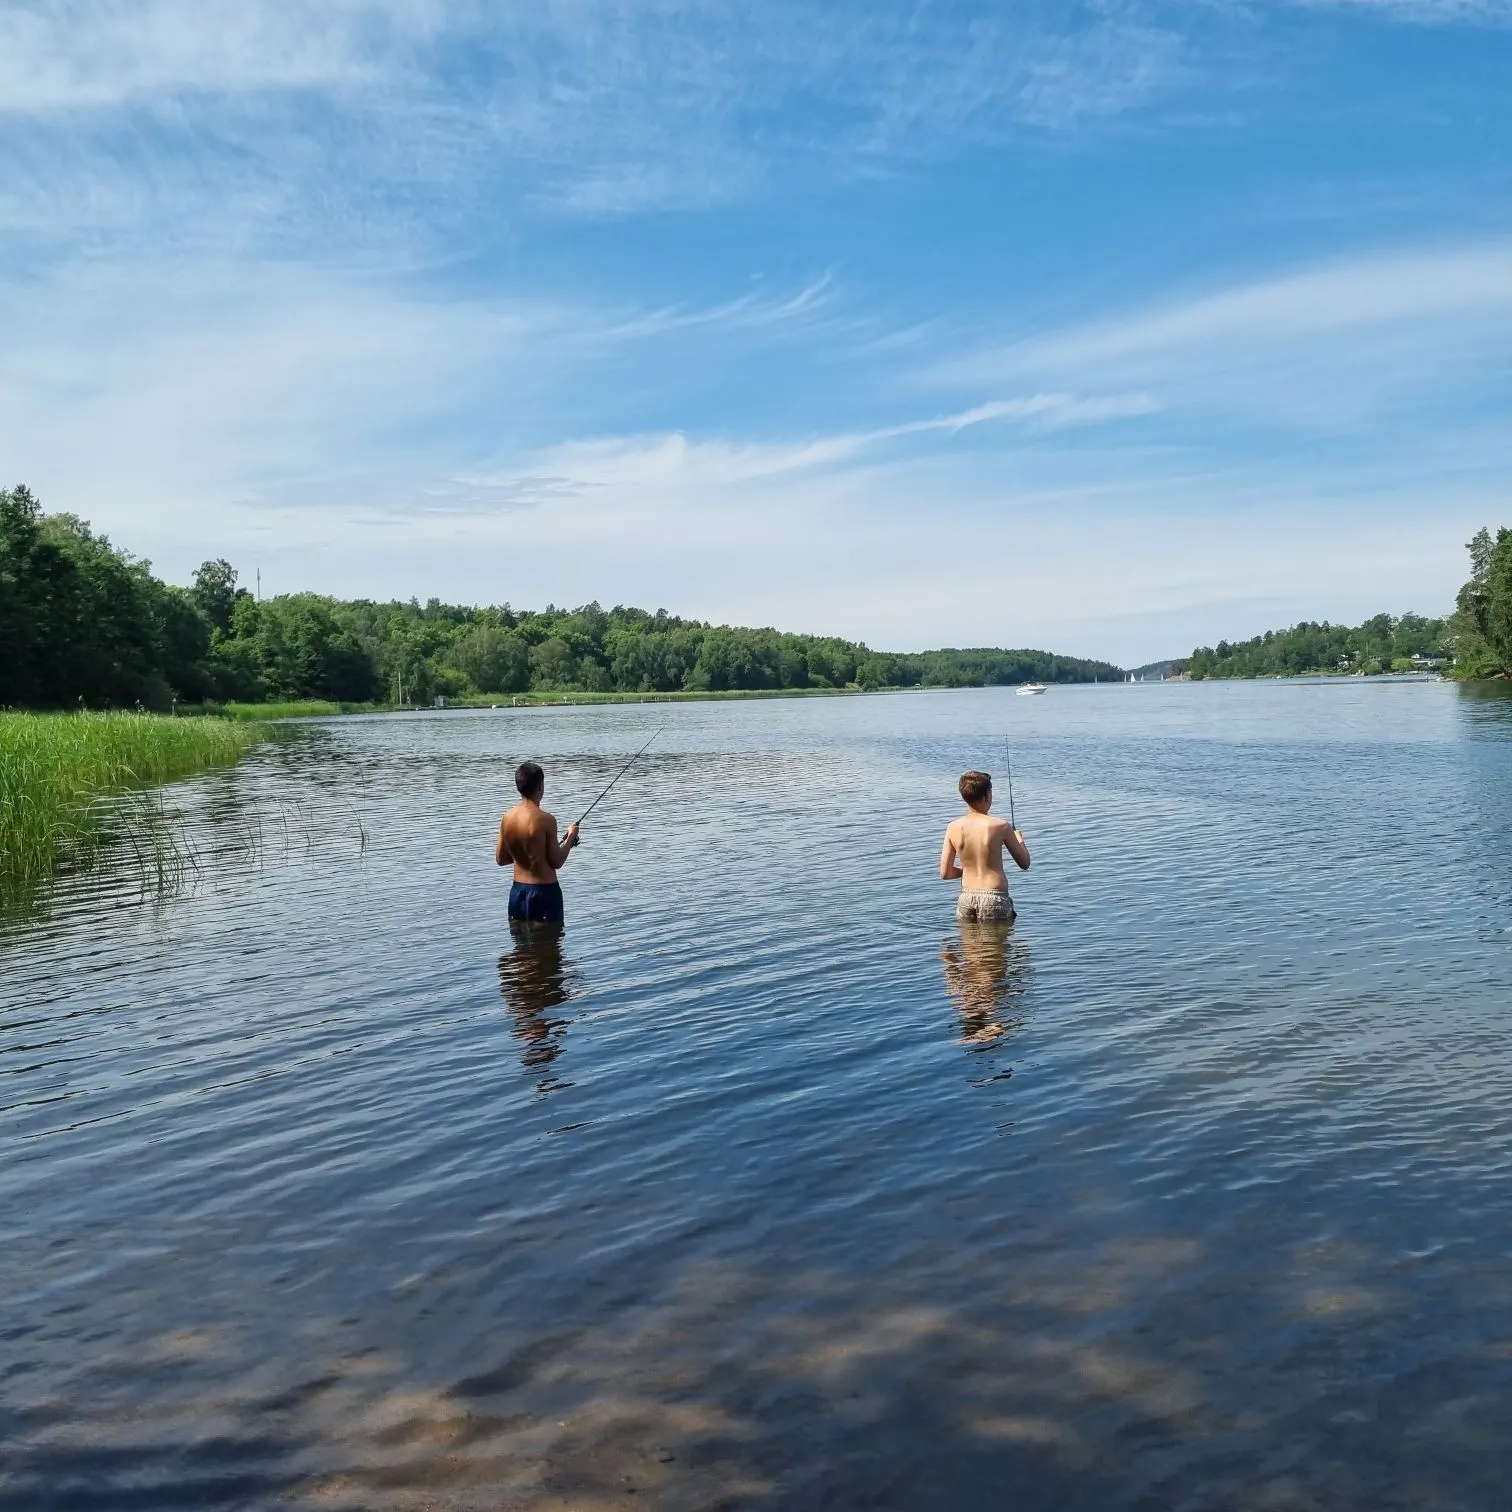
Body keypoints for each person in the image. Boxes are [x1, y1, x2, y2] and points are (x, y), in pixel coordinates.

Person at [939, 770, 1030, 922]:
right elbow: (1025, 863)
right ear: (987, 796)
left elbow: (945, 873)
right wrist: (1019, 839)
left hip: (966, 898)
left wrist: (968, 869)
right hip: (995, 898)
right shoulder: (1001, 826)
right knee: (995, 945)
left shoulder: (953, 827)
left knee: (969, 946)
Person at [496, 761, 580, 925]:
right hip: (545, 894)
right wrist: (571, 836)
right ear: (540, 786)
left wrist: (525, 853)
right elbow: (557, 861)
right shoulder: (546, 820)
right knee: (549, 948)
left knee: (520, 948)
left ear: (518, 786)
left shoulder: (507, 818)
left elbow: (501, 859)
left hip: (518, 893)